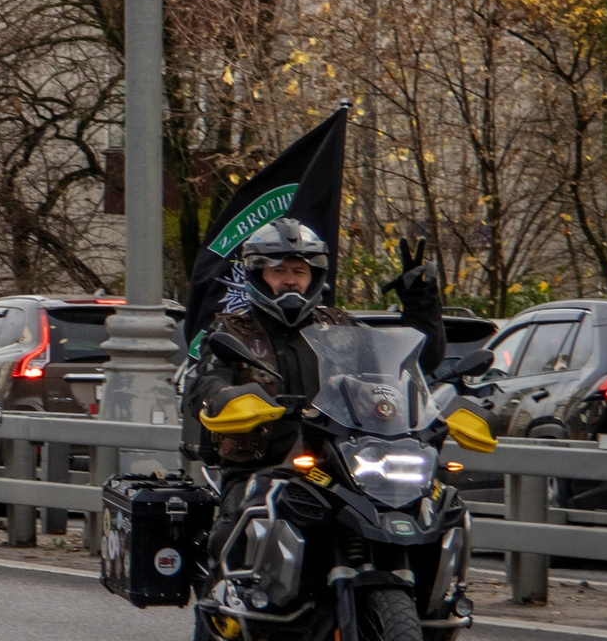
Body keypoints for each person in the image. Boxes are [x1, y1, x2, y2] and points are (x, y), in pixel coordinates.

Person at [188, 223, 445, 542]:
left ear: (314, 276)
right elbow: (207, 384)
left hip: (341, 466)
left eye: (299, 271)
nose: (290, 280)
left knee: (423, 511)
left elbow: (415, 362)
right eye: (278, 270)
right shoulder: (232, 333)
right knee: (235, 532)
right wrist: (226, 397)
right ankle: (227, 574)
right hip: (263, 465)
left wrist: (421, 303)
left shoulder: (342, 329)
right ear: (258, 275)